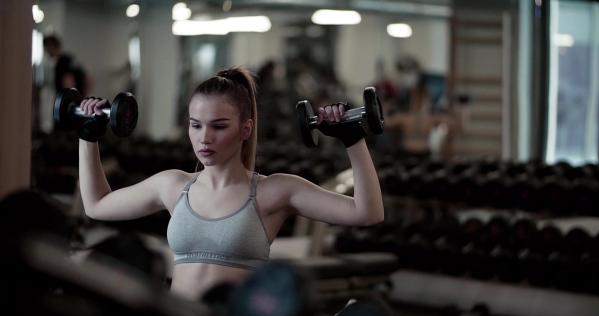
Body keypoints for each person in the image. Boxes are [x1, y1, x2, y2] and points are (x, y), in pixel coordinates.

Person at [76, 66, 385, 302]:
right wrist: (88, 136)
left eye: (219, 126)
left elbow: (367, 213)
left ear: (245, 128)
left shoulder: (272, 192)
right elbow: (96, 205)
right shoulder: (173, 186)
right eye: (196, 126)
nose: (204, 138)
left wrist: (352, 138)